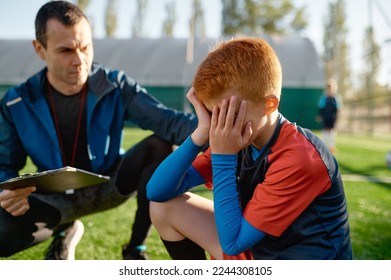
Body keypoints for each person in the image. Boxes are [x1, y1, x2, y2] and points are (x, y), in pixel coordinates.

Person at [0, 1, 196, 260]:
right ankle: (64, 230)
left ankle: (135, 249)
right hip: (55, 198)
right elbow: (4, 165)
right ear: (40, 49)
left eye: (85, 47)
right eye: (66, 50)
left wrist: (220, 127)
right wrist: (7, 192)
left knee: (159, 146)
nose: (79, 60)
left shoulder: (114, 84)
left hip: (110, 184)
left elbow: (169, 123)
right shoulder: (17, 103)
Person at [147, 37, 352, 260]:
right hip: (259, 253)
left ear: (269, 104)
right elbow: (157, 192)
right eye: (214, 115)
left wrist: (223, 157)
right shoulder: (240, 136)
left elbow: (233, 243)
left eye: (229, 113)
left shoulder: (301, 157)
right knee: (163, 208)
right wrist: (200, 134)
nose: (220, 126)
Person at [317, 78, 342, 153]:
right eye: (328, 88)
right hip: (325, 118)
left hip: (332, 118)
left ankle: (331, 147)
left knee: (332, 132)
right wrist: (319, 116)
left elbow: (338, 109)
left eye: (331, 87)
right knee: (325, 132)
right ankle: (324, 147)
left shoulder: (336, 98)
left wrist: (337, 118)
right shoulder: (324, 98)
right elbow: (320, 107)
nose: (330, 89)